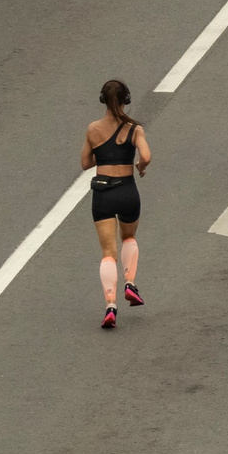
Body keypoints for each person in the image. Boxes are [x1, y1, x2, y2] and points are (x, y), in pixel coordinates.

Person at [80, 80, 147, 328]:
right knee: (128, 237)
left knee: (108, 252)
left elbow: (85, 163)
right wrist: (141, 166)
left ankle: (110, 305)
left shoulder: (93, 129)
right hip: (128, 190)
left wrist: (103, 153)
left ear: (102, 100)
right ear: (126, 99)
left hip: (103, 193)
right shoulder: (134, 128)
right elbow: (147, 156)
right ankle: (131, 283)